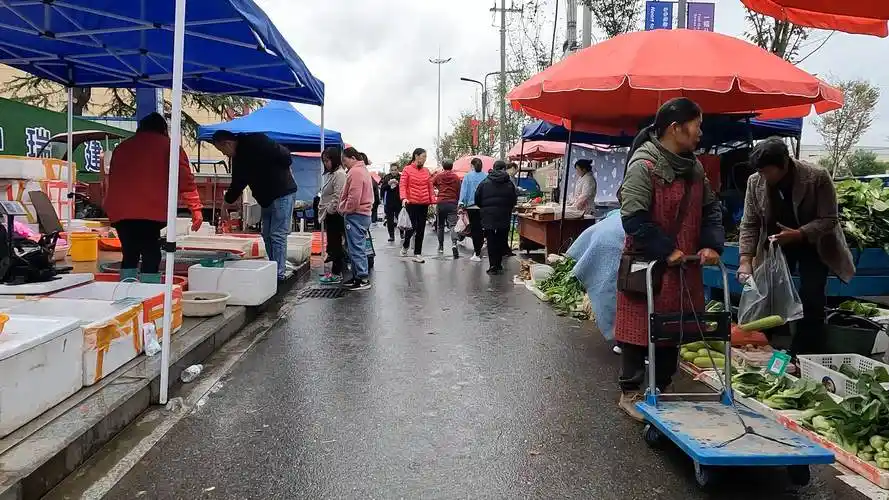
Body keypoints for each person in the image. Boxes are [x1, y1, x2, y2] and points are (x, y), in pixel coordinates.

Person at [615, 97, 724, 422]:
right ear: (676, 128)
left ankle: (660, 386)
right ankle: (631, 391)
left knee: (672, 328)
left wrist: (711, 244)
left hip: (685, 265)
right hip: (648, 266)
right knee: (638, 328)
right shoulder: (643, 166)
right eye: (696, 125)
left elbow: (711, 209)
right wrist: (666, 249)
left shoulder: (695, 168)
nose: (700, 132)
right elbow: (633, 218)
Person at [738, 138, 854, 356]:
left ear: (784, 164)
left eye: (767, 171)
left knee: (811, 296)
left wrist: (800, 234)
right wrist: (745, 259)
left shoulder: (816, 177)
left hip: (814, 243)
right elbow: (750, 222)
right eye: (760, 171)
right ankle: (766, 349)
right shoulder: (755, 182)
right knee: (768, 296)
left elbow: (829, 219)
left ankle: (806, 353)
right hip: (776, 243)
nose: (763, 176)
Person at [104, 112, 202, 283]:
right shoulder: (170, 147)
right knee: (151, 253)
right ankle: (148, 296)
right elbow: (184, 180)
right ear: (163, 129)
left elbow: (111, 179)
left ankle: (126, 294)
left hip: (120, 211)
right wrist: (195, 209)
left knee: (129, 253)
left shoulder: (122, 147)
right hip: (149, 211)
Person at [213, 130, 297, 281]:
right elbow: (237, 183)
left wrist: (280, 167)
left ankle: (278, 273)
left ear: (228, 143)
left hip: (282, 192)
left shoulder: (257, 141)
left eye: (222, 150)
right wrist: (225, 205)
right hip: (266, 198)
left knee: (277, 234)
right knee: (267, 234)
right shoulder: (239, 158)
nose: (224, 154)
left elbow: (285, 155)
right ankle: (273, 267)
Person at [338, 147, 374, 290]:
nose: (344, 163)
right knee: (354, 246)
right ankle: (357, 277)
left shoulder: (355, 172)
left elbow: (354, 197)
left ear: (352, 158)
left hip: (356, 214)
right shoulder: (362, 170)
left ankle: (362, 278)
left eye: (345, 160)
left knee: (356, 247)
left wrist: (344, 209)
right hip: (362, 214)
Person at [474, 160, 518, 274]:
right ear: (504, 169)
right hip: (504, 215)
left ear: (493, 168)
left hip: (488, 216)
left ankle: (493, 265)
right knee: (501, 239)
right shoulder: (509, 183)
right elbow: (514, 200)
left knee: (491, 240)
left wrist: (484, 207)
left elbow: (477, 199)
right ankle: (498, 264)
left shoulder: (484, 182)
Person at [399, 148, 434, 263]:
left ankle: (417, 253)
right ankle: (406, 245)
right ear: (416, 156)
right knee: (411, 227)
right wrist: (404, 198)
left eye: (425, 157)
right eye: (423, 156)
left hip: (423, 204)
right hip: (411, 203)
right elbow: (402, 185)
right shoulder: (407, 170)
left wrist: (432, 201)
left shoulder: (426, 171)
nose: (425, 159)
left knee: (421, 228)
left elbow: (430, 187)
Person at [318, 147, 347, 284]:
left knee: (335, 243)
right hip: (330, 213)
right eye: (324, 161)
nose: (326, 163)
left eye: (327, 160)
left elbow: (338, 196)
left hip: (335, 214)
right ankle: (336, 272)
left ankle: (336, 273)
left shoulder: (339, 174)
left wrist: (330, 209)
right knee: (333, 242)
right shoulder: (332, 174)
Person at [459, 157, 488, 262]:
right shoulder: (486, 176)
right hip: (484, 206)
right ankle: (479, 249)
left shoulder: (467, 176)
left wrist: (461, 203)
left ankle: (477, 253)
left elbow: (464, 191)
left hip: (471, 207)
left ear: (472, 166)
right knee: (482, 228)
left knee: (475, 229)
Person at [433, 159, 462, 258]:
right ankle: (454, 244)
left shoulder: (439, 176)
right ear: (452, 166)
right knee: (453, 225)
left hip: (441, 202)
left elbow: (433, 183)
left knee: (440, 225)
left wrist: (440, 188)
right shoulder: (456, 177)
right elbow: (459, 190)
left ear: (443, 166)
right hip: (452, 202)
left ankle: (441, 246)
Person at [380, 163, 402, 242]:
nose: (393, 172)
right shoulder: (387, 177)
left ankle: (402, 232)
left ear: (398, 170)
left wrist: (398, 184)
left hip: (399, 201)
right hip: (389, 202)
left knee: (400, 218)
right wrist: (388, 185)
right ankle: (391, 235)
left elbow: (404, 187)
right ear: (390, 170)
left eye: (395, 170)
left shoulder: (401, 177)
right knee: (390, 220)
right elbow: (382, 189)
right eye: (392, 170)